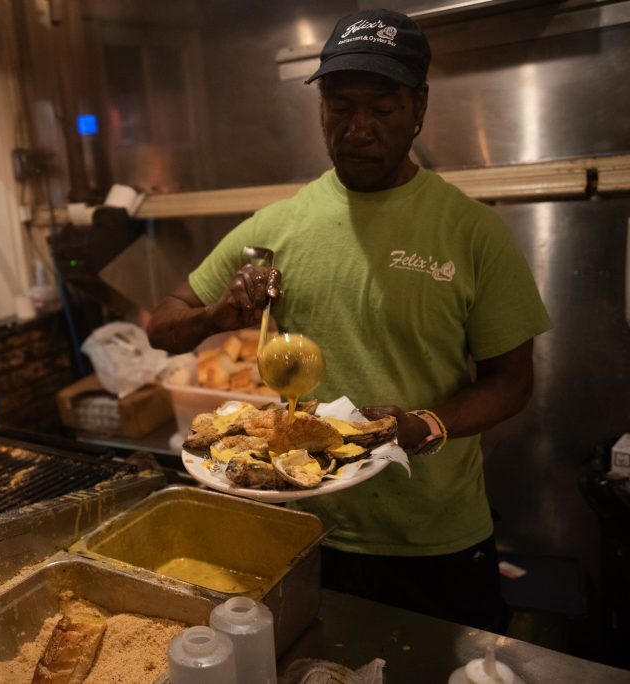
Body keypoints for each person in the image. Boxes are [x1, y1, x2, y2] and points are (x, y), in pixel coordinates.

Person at [146, 8, 552, 632]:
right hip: (305, 528)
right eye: (339, 106)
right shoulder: (277, 227)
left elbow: (511, 383)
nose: (358, 128)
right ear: (321, 110)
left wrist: (427, 423)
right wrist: (220, 313)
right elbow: (161, 325)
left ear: (419, 105)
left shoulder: (472, 234)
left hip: (433, 539)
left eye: (383, 108)